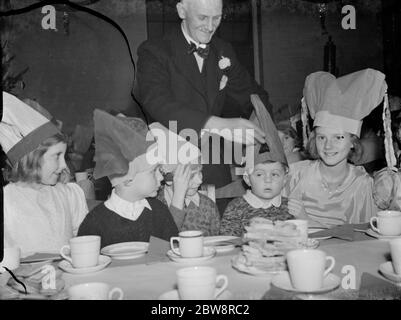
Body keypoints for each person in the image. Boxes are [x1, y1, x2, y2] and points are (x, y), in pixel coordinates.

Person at [135, 0, 273, 213]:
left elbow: (255, 96)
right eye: (202, 18)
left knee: (217, 232)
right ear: (182, 10)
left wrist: (260, 134)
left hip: (215, 166)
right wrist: (217, 124)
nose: (210, 26)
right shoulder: (154, 50)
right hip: (171, 164)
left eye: (216, 18)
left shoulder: (223, 51)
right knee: (169, 234)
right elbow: (158, 102)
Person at [284, 69, 387, 227]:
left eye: (338, 137)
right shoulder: (294, 176)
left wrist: (308, 221)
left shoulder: (363, 185)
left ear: (352, 141)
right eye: (321, 137)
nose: (328, 146)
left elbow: (366, 238)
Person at [1, 92, 88, 257]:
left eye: (64, 156)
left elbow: (84, 242)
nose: (64, 166)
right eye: (57, 156)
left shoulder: (68, 195)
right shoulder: (7, 202)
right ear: (32, 158)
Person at [77, 110, 181, 248]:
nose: (161, 176)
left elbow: (163, 259)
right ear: (127, 179)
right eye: (153, 171)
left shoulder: (159, 213)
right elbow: (86, 265)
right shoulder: (95, 224)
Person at [218, 94, 309, 237]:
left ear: (285, 179)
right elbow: (227, 242)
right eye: (259, 174)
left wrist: (303, 218)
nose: (268, 180)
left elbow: (302, 240)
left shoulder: (290, 207)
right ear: (247, 179)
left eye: (275, 174)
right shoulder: (235, 208)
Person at [157, 163, 220, 236]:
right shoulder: (155, 204)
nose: (199, 181)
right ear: (169, 179)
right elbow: (159, 244)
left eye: (200, 172)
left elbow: (216, 242)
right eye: (191, 176)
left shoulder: (208, 206)